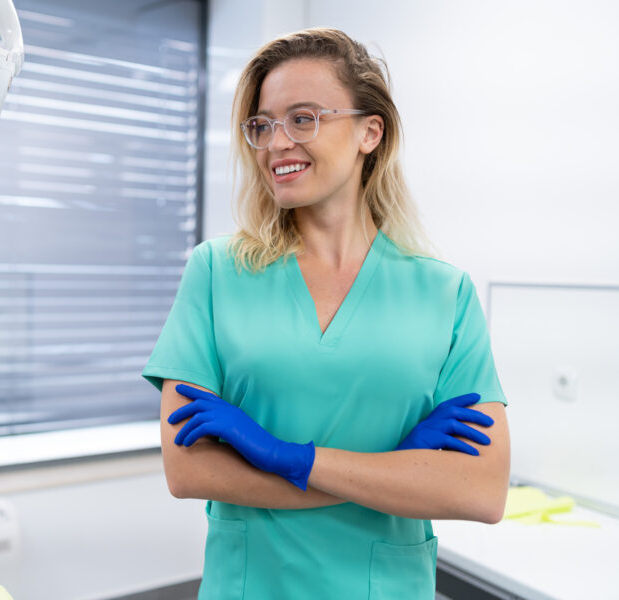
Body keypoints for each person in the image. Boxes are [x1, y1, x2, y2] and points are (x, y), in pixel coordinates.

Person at [142, 28, 510, 599]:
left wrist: (287, 457)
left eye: (304, 118)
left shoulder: (444, 292)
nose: (276, 142)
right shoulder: (216, 272)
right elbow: (189, 471)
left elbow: (481, 492)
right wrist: (394, 470)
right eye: (262, 125)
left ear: (370, 131)